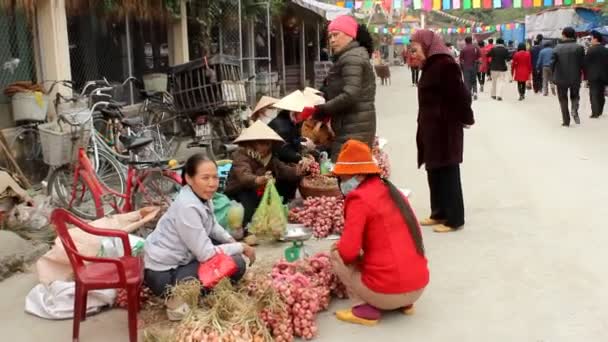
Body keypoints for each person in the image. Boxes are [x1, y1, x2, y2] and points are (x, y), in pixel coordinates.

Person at [330, 140, 429, 326]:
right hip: (418, 287)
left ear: (359, 176)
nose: (342, 184)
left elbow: (348, 252)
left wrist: (341, 246)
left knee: (336, 255)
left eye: (343, 178)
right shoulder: (393, 191)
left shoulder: (359, 199)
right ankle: (405, 304)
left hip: (386, 293)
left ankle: (362, 308)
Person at [144, 154, 255, 318]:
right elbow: (205, 254)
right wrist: (241, 246)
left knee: (229, 252)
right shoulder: (188, 207)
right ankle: (178, 297)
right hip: (165, 277)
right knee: (237, 263)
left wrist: (230, 240)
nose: (212, 184)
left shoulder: (201, 196)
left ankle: (199, 292)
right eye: (205, 178)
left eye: (215, 177)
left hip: (178, 261)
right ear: (189, 178)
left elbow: (212, 226)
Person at [410, 29, 475, 233]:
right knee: (434, 170)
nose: (413, 54)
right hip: (431, 127)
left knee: (447, 171)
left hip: (445, 128)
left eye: (415, 49)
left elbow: (460, 95)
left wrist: (466, 118)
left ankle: (454, 218)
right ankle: (438, 212)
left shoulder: (445, 64)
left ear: (427, 45)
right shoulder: (429, 65)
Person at [300, 15, 376, 162]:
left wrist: (322, 109)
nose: (332, 40)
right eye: (330, 36)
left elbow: (350, 95)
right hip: (351, 124)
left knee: (347, 174)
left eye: (336, 35)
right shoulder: (349, 56)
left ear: (350, 35)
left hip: (354, 127)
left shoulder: (352, 58)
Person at [224, 121, 309, 227]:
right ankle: (244, 228)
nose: (264, 147)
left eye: (267, 144)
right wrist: (258, 179)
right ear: (252, 143)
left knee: (274, 201)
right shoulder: (241, 155)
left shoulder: (271, 158)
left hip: (258, 190)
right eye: (260, 143)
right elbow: (244, 176)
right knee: (249, 205)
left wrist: (298, 170)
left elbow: (284, 170)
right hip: (239, 190)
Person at [552, 27, 585, 126]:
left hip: (560, 78)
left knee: (563, 98)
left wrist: (552, 78)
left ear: (564, 35)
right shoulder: (579, 48)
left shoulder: (557, 48)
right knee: (575, 96)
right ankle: (574, 109)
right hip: (575, 77)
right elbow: (583, 63)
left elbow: (551, 64)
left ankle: (566, 121)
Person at [584, 31, 608, 118]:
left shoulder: (591, 50)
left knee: (593, 93)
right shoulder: (605, 50)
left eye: (591, 38)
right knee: (601, 93)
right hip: (604, 75)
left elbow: (585, 63)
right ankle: (600, 111)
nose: (590, 40)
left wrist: (585, 76)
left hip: (593, 75)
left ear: (595, 39)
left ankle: (595, 113)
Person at [460, 36, 480, 100]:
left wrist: (462, 67)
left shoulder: (463, 49)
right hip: (474, 66)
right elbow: (479, 57)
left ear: (465, 42)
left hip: (466, 67)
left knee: (467, 81)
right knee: (474, 80)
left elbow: (461, 59)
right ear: (471, 41)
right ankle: (475, 93)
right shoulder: (476, 48)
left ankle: (468, 93)